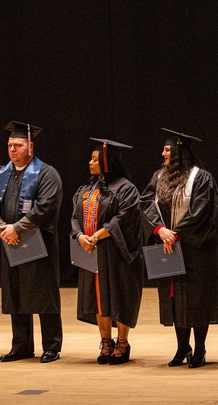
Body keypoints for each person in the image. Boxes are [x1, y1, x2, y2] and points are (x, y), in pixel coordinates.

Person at [140, 128, 218, 368]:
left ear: (178, 152)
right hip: (168, 246)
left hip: (195, 248)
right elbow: (146, 203)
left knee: (197, 298)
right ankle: (182, 347)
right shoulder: (159, 177)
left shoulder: (201, 178)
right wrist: (159, 230)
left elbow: (202, 211)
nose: (163, 153)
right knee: (174, 297)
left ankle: (200, 348)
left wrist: (176, 233)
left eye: (167, 150)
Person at [0, 121, 64, 363]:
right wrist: (1, 228)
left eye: (17, 145)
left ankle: (51, 345)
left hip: (39, 242)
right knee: (15, 292)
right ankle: (21, 346)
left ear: (31, 146)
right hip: (10, 242)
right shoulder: (1, 172)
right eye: (9, 145)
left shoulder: (46, 173)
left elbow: (45, 207)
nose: (12, 150)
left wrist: (17, 227)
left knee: (43, 293)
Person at [71, 138, 145, 365]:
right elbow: (74, 217)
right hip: (91, 251)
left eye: (95, 159)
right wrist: (80, 236)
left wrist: (97, 235)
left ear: (106, 161)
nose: (90, 163)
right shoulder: (87, 188)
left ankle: (122, 342)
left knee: (119, 294)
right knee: (98, 297)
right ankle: (106, 341)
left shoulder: (125, 188)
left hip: (115, 253)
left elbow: (124, 218)